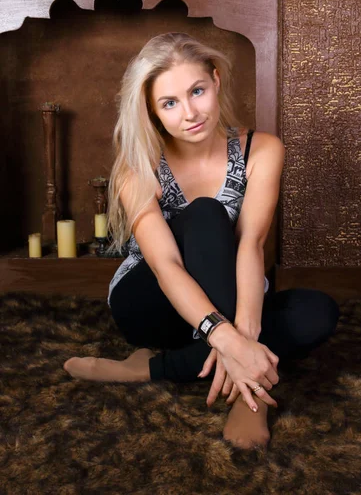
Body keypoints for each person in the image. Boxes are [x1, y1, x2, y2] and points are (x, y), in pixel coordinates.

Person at [64, 32, 340, 449]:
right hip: (151, 298)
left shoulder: (261, 150)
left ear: (215, 82)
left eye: (197, 91)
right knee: (207, 213)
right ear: (152, 112)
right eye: (169, 103)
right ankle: (253, 400)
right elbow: (165, 265)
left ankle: (153, 368)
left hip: (232, 292)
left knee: (318, 312)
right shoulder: (138, 168)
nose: (190, 113)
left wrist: (241, 337)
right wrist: (226, 337)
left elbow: (251, 245)